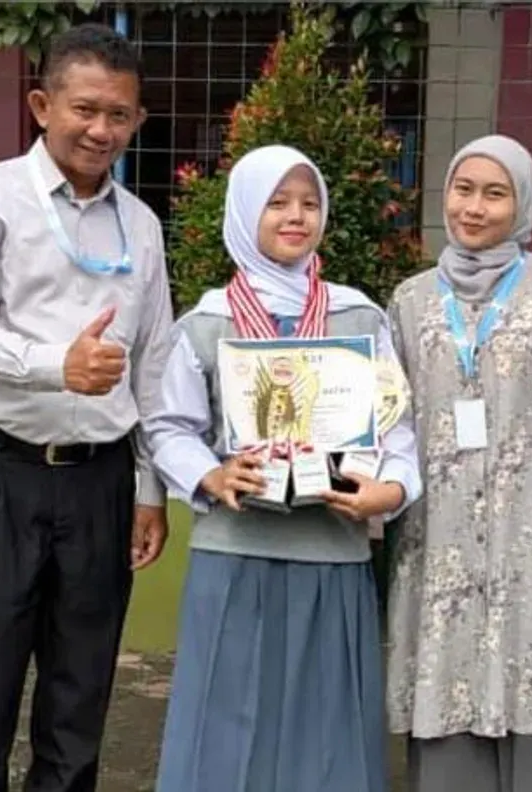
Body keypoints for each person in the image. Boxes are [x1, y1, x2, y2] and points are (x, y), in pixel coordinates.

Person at [0, 23, 172, 792]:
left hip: (100, 483)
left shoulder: (141, 226)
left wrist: (150, 488)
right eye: (85, 109)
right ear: (42, 105)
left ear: (137, 121)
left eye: (120, 115)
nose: (102, 131)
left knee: (80, 700)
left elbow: (155, 363)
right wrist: (56, 367)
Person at [147, 144, 422, 792]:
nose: (296, 216)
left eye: (308, 203)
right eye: (277, 202)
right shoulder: (207, 323)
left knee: (325, 732)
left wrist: (390, 490)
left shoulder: (358, 317)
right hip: (234, 553)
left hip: (332, 553)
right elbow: (168, 427)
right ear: (245, 212)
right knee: (224, 726)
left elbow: (397, 425)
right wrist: (211, 476)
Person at [385, 134, 532, 791]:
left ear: (522, 206)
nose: (474, 207)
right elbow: (388, 417)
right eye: (464, 190)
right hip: (444, 535)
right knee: (449, 688)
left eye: (495, 194)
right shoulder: (410, 300)